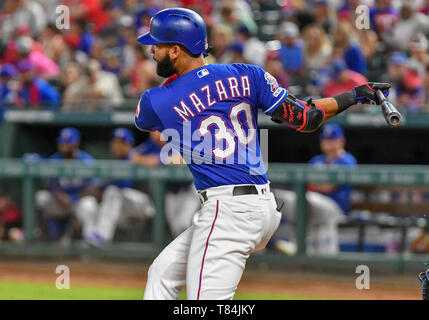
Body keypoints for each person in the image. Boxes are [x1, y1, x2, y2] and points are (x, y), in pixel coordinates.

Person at [135, 7, 390, 300]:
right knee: (162, 274)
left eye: (158, 45)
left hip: (228, 210)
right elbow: (307, 118)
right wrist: (354, 95)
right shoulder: (247, 73)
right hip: (260, 206)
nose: (152, 50)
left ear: (177, 50)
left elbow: (145, 119)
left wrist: (185, 83)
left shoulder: (158, 99)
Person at [273, 124, 357, 256]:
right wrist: (316, 185)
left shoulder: (347, 160)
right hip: (313, 204)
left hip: (335, 207)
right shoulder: (316, 160)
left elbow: (329, 186)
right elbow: (308, 184)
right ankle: (297, 243)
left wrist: (314, 185)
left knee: (304, 200)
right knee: (283, 198)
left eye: (331, 139)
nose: (327, 143)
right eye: (325, 139)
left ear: (341, 141)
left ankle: (298, 245)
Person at [76, 128, 155, 245]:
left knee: (112, 192)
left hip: (144, 205)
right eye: (115, 142)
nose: (117, 146)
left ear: (129, 145)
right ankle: (90, 241)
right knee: (89, 204)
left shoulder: (135, 158)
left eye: (121, 143)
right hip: (122, 205)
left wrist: (101, 187)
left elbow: (124, 184)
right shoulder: (113, 163)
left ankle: (102, 237)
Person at [36, 127, 94, 242]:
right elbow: (48, 183)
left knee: (89, 205)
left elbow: (93, 188)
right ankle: (38, 236)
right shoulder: (54, 160)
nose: (63, 145)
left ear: (76, 144)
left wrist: (74, 199)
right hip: (60, 202)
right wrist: (58, 194)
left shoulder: (86, 161)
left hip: (78, 202)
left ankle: (89, 243)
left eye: (67, 142)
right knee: (41, 197)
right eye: (62, 142)